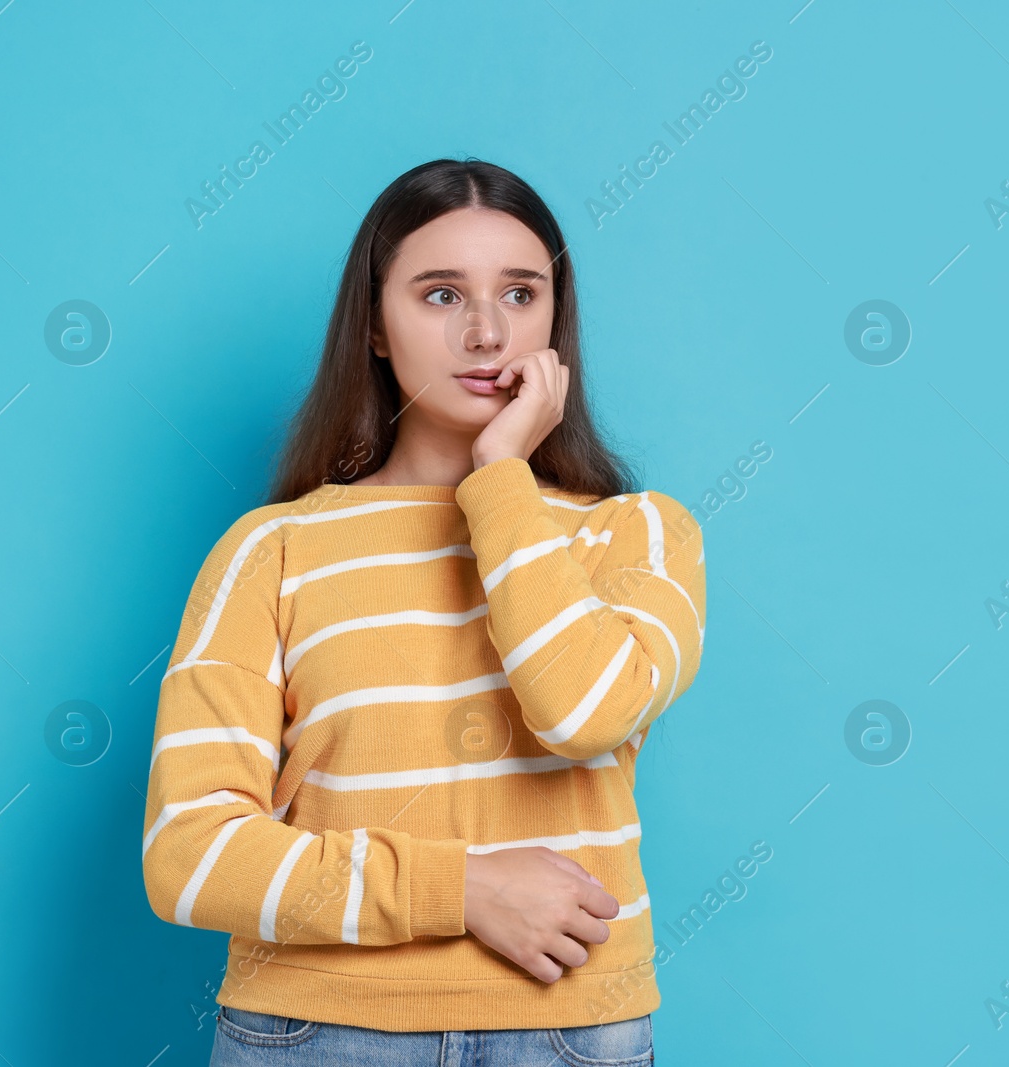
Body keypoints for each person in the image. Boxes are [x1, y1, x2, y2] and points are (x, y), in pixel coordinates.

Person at [140, 158, 706, 1065]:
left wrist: (501, 480)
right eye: (441, 295)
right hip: (315, 1032)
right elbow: (190, 856)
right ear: (373, 323)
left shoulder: (635, 536)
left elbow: (580, 710)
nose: (487, 333)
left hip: (567, 1033)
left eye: (521, 294)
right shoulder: (271, 550)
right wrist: (461, 889)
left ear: (557, 320)